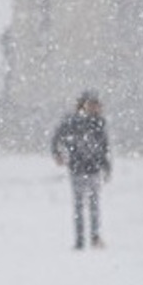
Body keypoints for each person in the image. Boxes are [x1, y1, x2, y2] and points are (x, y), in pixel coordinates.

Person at [51, 90, 111, 250]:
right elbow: (57, 138)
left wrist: (106, 167)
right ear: (84, 105)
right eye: (92, 104)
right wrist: (57, 153)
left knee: (93, 206)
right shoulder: (72, 122)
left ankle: (94, 238)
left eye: (97, 105)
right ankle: (81, 240)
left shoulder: (99, 123)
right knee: (81, 206)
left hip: (93, 169)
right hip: (78, 169)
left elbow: (104, 147)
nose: (96, 108)